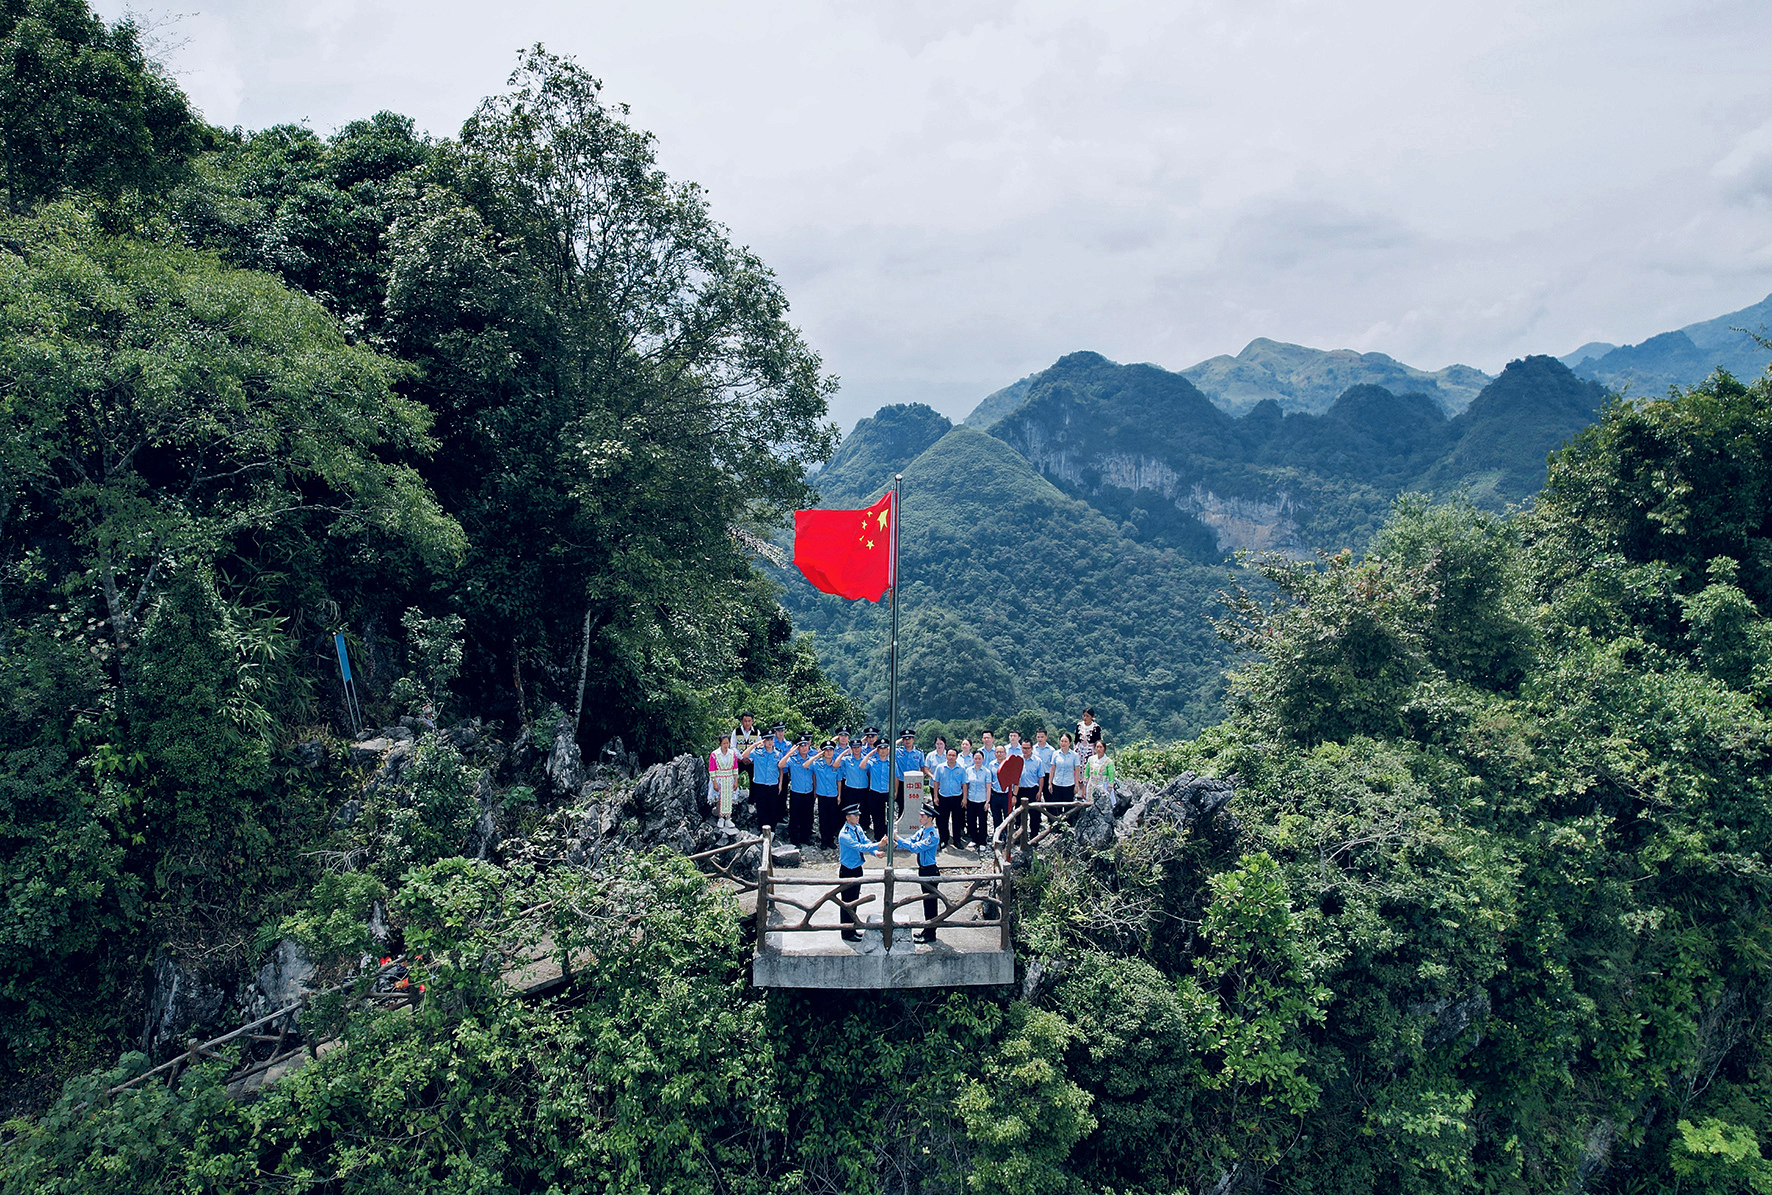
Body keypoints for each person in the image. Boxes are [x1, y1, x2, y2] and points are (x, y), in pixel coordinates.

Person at [836, 802, 884, 941]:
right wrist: (879, 844)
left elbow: (865, 841)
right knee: (847, 903)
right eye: (854, 815)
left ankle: (853, 928)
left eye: (858, 815)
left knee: (854, 901)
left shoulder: (857, 828)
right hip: (848, 870)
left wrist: (875, 852)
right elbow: (860, 847)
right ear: (847, 817)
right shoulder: (845, 834)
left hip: (857, 868)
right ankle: (846, 932)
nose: (857, 817)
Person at [896, 803, 944, 943]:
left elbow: (916, 847)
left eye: (923, 816)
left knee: (931, 903)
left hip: (930, 870)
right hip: (923, 870)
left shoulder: (932, 835)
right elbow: (911, 840)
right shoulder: (922, 830)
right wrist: (898, 842)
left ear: (930, 818)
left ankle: (931, 933)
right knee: (926, 902)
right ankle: (926, 929)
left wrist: (898, 839)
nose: (920, 818)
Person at [747, 723, 790, 832]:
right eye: (767, 740)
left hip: (773, 784)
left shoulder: (778, 754)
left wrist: (780, 784)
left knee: (773, 808)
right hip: (760, 784)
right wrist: (755, 744)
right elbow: (744, 755)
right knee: (761, 808)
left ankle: (772, 830)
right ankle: (762, 830)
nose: (770, 742)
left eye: (771, 739)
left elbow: (780, 769)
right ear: (763, 741)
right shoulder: (757, 752)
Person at [783, 735, 817, 846]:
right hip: (796, 792)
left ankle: (805, 837)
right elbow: (781, 764)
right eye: (801, 746)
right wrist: (789, 753)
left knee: (807, 816)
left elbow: (814, 775)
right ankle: (794, 839)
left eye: (806, 745)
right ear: (797, 748)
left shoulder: (811, 759)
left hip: (808, 792)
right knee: (795, 817)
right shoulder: (792, 759)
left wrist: (815, 790)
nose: (804, 748)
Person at [932, 747, 967, 849]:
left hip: (957, 797)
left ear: (956, 757)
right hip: (943, 797)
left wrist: (964, 798)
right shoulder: (940, 767)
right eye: (949, 755)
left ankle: (957, 840)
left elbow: (964, 784)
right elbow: (936, 782)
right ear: (946, 756)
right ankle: (944, 839)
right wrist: (935, 797)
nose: (951, 757)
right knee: (943, 820)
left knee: (957, 820)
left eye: (953, 755)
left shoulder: (961, 768)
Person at [812, 740, 843, 851]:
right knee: (823, 819)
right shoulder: (817, 764)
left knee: (833, 819)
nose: (829, 752)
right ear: (823, 752)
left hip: (833, 795)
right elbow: (805, 765)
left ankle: (831, 840)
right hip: (822, 795)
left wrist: (839, 795)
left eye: (831, 750)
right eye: (826, 750)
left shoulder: (836, 765)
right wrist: (818, 755)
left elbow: (839, 781)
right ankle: (824, 840)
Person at [707, 732, 739, 829]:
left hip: (729, 778)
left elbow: (735, 767)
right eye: (724, 743)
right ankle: (720, 817)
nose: (726, 745)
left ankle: (728, 818)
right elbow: (712, 769)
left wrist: (736, 780)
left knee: (729, 798)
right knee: (719, 798)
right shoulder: (714, 754)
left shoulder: (732, 754)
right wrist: (714, 782)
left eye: (727, 743)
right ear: (720, 743)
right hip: (719, 778)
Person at [1016, 733, 1045, 838]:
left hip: (1033, 789)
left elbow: (1041, 777)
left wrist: (1040, 791)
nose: (1025, 750)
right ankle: (1019, 836)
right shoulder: (1017, 760)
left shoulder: (1038, 761)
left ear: (1032, 748)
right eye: (1023, 748)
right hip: (1020, 790)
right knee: (1019, 814)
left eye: (1027, 748)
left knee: (1034, 814)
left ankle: (1034, 836)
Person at [865, 729, 892, 839]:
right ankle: (878, 836)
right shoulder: (872, 761)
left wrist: (895, 791)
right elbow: (862, 766)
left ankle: (888, 835)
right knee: (877, 816)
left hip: (887, 791)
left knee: (889, 816)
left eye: (885, 748)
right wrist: (870, 754)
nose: (883, 750)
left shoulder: (891, 762)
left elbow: (895, 777)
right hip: (875, 792)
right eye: (880, 748)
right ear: (877, 750)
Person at [963, 749, 992, 851]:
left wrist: (988, 801)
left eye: (979, 758)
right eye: (976, 758)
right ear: (973, 759)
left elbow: (988, 787)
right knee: (971, 820)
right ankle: (974, 839)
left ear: (983, 759)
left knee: (983, 821)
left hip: (982, 799)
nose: (977, 760)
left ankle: (982, 841)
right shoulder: (968, 770)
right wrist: (965, 798)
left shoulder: (986, 772)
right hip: (971, 799)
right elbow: (966, 785)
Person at [894, 730, 925, 824]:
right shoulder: (898, 751)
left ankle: (914, 823)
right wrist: (899, 740)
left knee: (913, 804)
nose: (907, 741)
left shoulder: (919, 753)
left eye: (909, 739)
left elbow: (922, 768)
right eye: (905, 739)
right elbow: (889, 748)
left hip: (913, 783)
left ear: (913, 740)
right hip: (901, 781)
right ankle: (901, 823)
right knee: (901, 804)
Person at [988, 744, 1017, 844]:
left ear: (1005, 753)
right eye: (997, 752)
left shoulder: (1010, 765)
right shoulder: (991, 765)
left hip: (1007, 795)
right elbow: (989, 781)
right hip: (995, 794)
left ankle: (1008, 838)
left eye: (1001, 752)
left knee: (1008, 817)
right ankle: (998, 837)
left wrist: (1014, 795)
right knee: (996, 817)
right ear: (994, 754)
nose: (999, 754)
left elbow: (1016, 782)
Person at [838, 732, 871, 813]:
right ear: (851, 748)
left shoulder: (866, 760)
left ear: (861, 747)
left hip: (863, 789)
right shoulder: (846, 759)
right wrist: (844, 753)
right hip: (850, 789)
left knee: (863, 813)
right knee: (849, 812)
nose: (856, 749)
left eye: (858, 747)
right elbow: (835, 765)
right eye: (854, 747)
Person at [1083, 737, 1117, 808]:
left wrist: (1109, 788)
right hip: (1091, 786)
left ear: (1104, 748)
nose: (1099, 749)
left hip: (1102, 786)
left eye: (1101, 747)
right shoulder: (1091, 759)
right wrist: (1084, 787)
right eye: (1097, 747)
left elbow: (1111, 776)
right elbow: (1086, 773)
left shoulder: (1108, 762)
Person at [1048, 732, 1080, 806]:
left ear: (1069, 743)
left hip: (1069, 785)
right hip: (1056, 784)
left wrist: (1076, 785)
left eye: (1065, 741)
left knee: (1068, 808)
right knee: (1056, 807)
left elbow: (1077, 771)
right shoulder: (1055, 754)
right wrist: (1050, 783)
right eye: (1062, 741)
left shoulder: (1074, 755)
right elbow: (1052, 769)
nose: (1063, 743)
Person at [732, 713, 761, 784]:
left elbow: (759, 746)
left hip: (752, 761)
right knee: (733, 779)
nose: (747, 723)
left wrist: (750, 758)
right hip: (739, 761)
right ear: (742, 721)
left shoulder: (757, 732)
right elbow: (733, 747)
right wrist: (741, 758)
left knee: (754, 782)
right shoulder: (736, 731)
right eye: (745, 721)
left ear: (752, 721)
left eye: (749, 721)